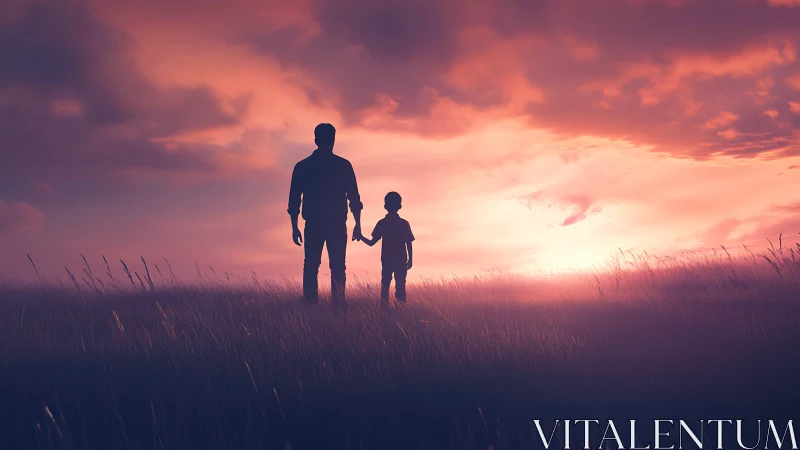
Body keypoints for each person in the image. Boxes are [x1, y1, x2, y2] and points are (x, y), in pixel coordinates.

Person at [287, 123, 363, 305]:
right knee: (337, 267)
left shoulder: (303, 166)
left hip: (313, 224)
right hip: (336, 224)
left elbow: (294, 200)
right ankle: (338, 304)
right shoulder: (343, 165)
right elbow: (354, 198)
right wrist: (358, 224)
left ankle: (310, 303)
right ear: (333, 140)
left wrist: (294, 226)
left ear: (315, 140)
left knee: (311, 265)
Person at [360, 192, 414, 305]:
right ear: (400, 206)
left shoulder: (382, 223)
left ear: (385, 207)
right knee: (400, 287)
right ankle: (400, 311)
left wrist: (360, 236)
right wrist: (410, 260)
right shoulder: (404, 224)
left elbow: (371, 243)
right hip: (401, 260)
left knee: (385, 288)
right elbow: (409, 243)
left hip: (387, 261)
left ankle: (384, 312)